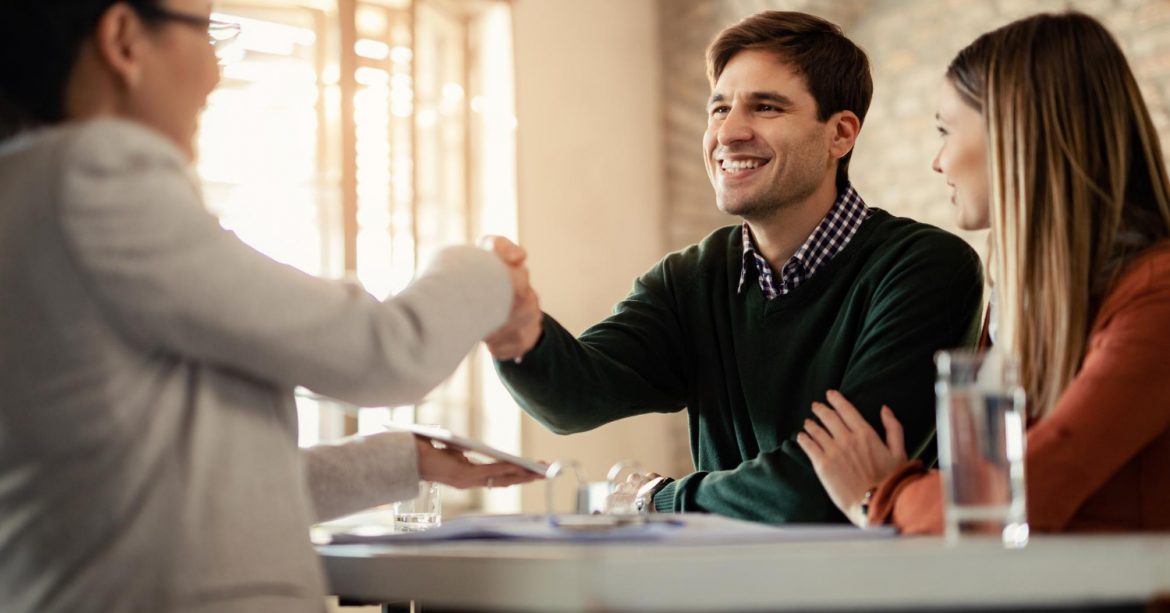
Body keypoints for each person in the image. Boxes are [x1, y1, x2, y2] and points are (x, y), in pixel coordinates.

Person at [0, 1, 541, 611]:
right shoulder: (93, 178)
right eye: (205, 30)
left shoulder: (28, 194)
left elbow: (176, 496)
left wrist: (403, 460)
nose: (215, 69)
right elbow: (384, 352)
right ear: (124, 39)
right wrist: (487, 270)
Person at [485, 11, 984, 523]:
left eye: (766, 107)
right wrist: (513, 328)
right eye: (719, 109)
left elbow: (822, 491)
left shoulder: (926, 270)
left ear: (840, 134)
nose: (729, 132)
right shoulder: (690, 280)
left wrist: (659, 498)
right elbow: (572, 397)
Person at [797, 11, 1170, 533]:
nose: (938, 161)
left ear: (1017, 132)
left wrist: (881, 494)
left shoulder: (1156, 296)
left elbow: (1017, 496)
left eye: (946, 131)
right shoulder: (1021, 306)